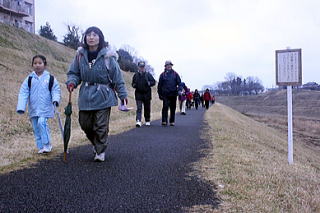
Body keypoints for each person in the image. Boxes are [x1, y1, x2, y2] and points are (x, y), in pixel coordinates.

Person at [66, 26, 128, 162]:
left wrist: (123, 95)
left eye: (95, 35)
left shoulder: (108, 57)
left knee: (100, 125)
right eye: (88, 34)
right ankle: (96, 143)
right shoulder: (80, 55)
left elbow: (118, 78)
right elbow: (74, 73)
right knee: (85, 124)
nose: (91, 37)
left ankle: (100, 151)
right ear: (85, 38)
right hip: (86, 95)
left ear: (100, 38)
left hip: (103, 95)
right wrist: (72, 82)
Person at [17, 55, 61, 154]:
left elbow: (56, 90)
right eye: (35, 63)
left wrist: (55, 100)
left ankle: (47, 144)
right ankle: (40, 147)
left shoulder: (50, 78)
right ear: (32, 65)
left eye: (40, 63)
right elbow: (23, 92)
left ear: (45, 65)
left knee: (42, 123)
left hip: (45, 108)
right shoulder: (29, 79)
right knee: (36, 128)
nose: (37, 65)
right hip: (33, 108)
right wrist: (21, 107)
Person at [132, 61, 156, 127]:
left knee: (147, 108)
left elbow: (153, 82)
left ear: (144, 67)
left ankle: (147, 120)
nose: (141, 68)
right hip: (138, 94)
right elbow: (133, 83)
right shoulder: (136, 75)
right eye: (140, 67)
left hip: (147, 94)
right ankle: (138, 121)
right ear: (138, 67)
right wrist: (134, 85)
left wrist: (149, 83)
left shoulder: (148, 74)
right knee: (139, 108)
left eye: (142, 67)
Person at [157, 60, 181, 126]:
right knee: (165, 107)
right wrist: (159, 94)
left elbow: (180, 83)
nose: (169, 66)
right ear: (165, 66)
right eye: (168, 65)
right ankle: (164, 121)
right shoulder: (162, 75)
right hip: (165, 94)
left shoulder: (175, 74)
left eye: (170, 65)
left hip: (173, 94)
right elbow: (159, 85)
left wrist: (179, 90)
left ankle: (172, 121)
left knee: (173, 108)